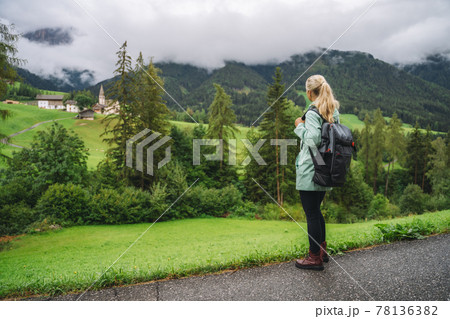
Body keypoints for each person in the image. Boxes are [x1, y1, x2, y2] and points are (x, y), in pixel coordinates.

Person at [293, 74, 340, 271]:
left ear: (310, 92)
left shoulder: (312, 113)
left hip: (311, 169)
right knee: (316, 211)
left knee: (311, 213)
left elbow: (312, 140)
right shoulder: (333, 111)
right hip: (326, 168)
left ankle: (314, 258)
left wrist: (299, 126)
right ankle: (322, 251)